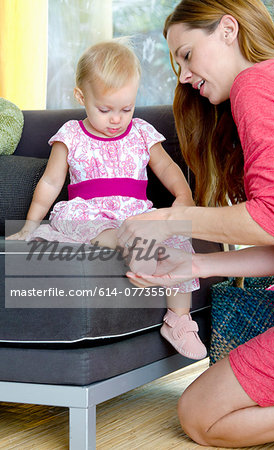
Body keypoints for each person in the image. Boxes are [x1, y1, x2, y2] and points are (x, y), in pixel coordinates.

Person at [116, 0, 274, 447]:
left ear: (228, 30)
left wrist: (168, 219)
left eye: (186, 54)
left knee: (200, 415)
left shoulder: (255, 83)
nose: (183, 75)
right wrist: (196, 266)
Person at [6, 39, 207, 361]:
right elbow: (50, 182)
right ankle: (134, 250)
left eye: (126, 109)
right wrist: (29, 226)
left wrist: (183, 197)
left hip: (135, 211)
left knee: (178, 239)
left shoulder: (141, 131)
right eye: (105, 109)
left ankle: (179, 320)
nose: (116, 119)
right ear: (81, 97)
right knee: (109, 231)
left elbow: (167, 167)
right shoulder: (70, 134)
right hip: (87, 211)